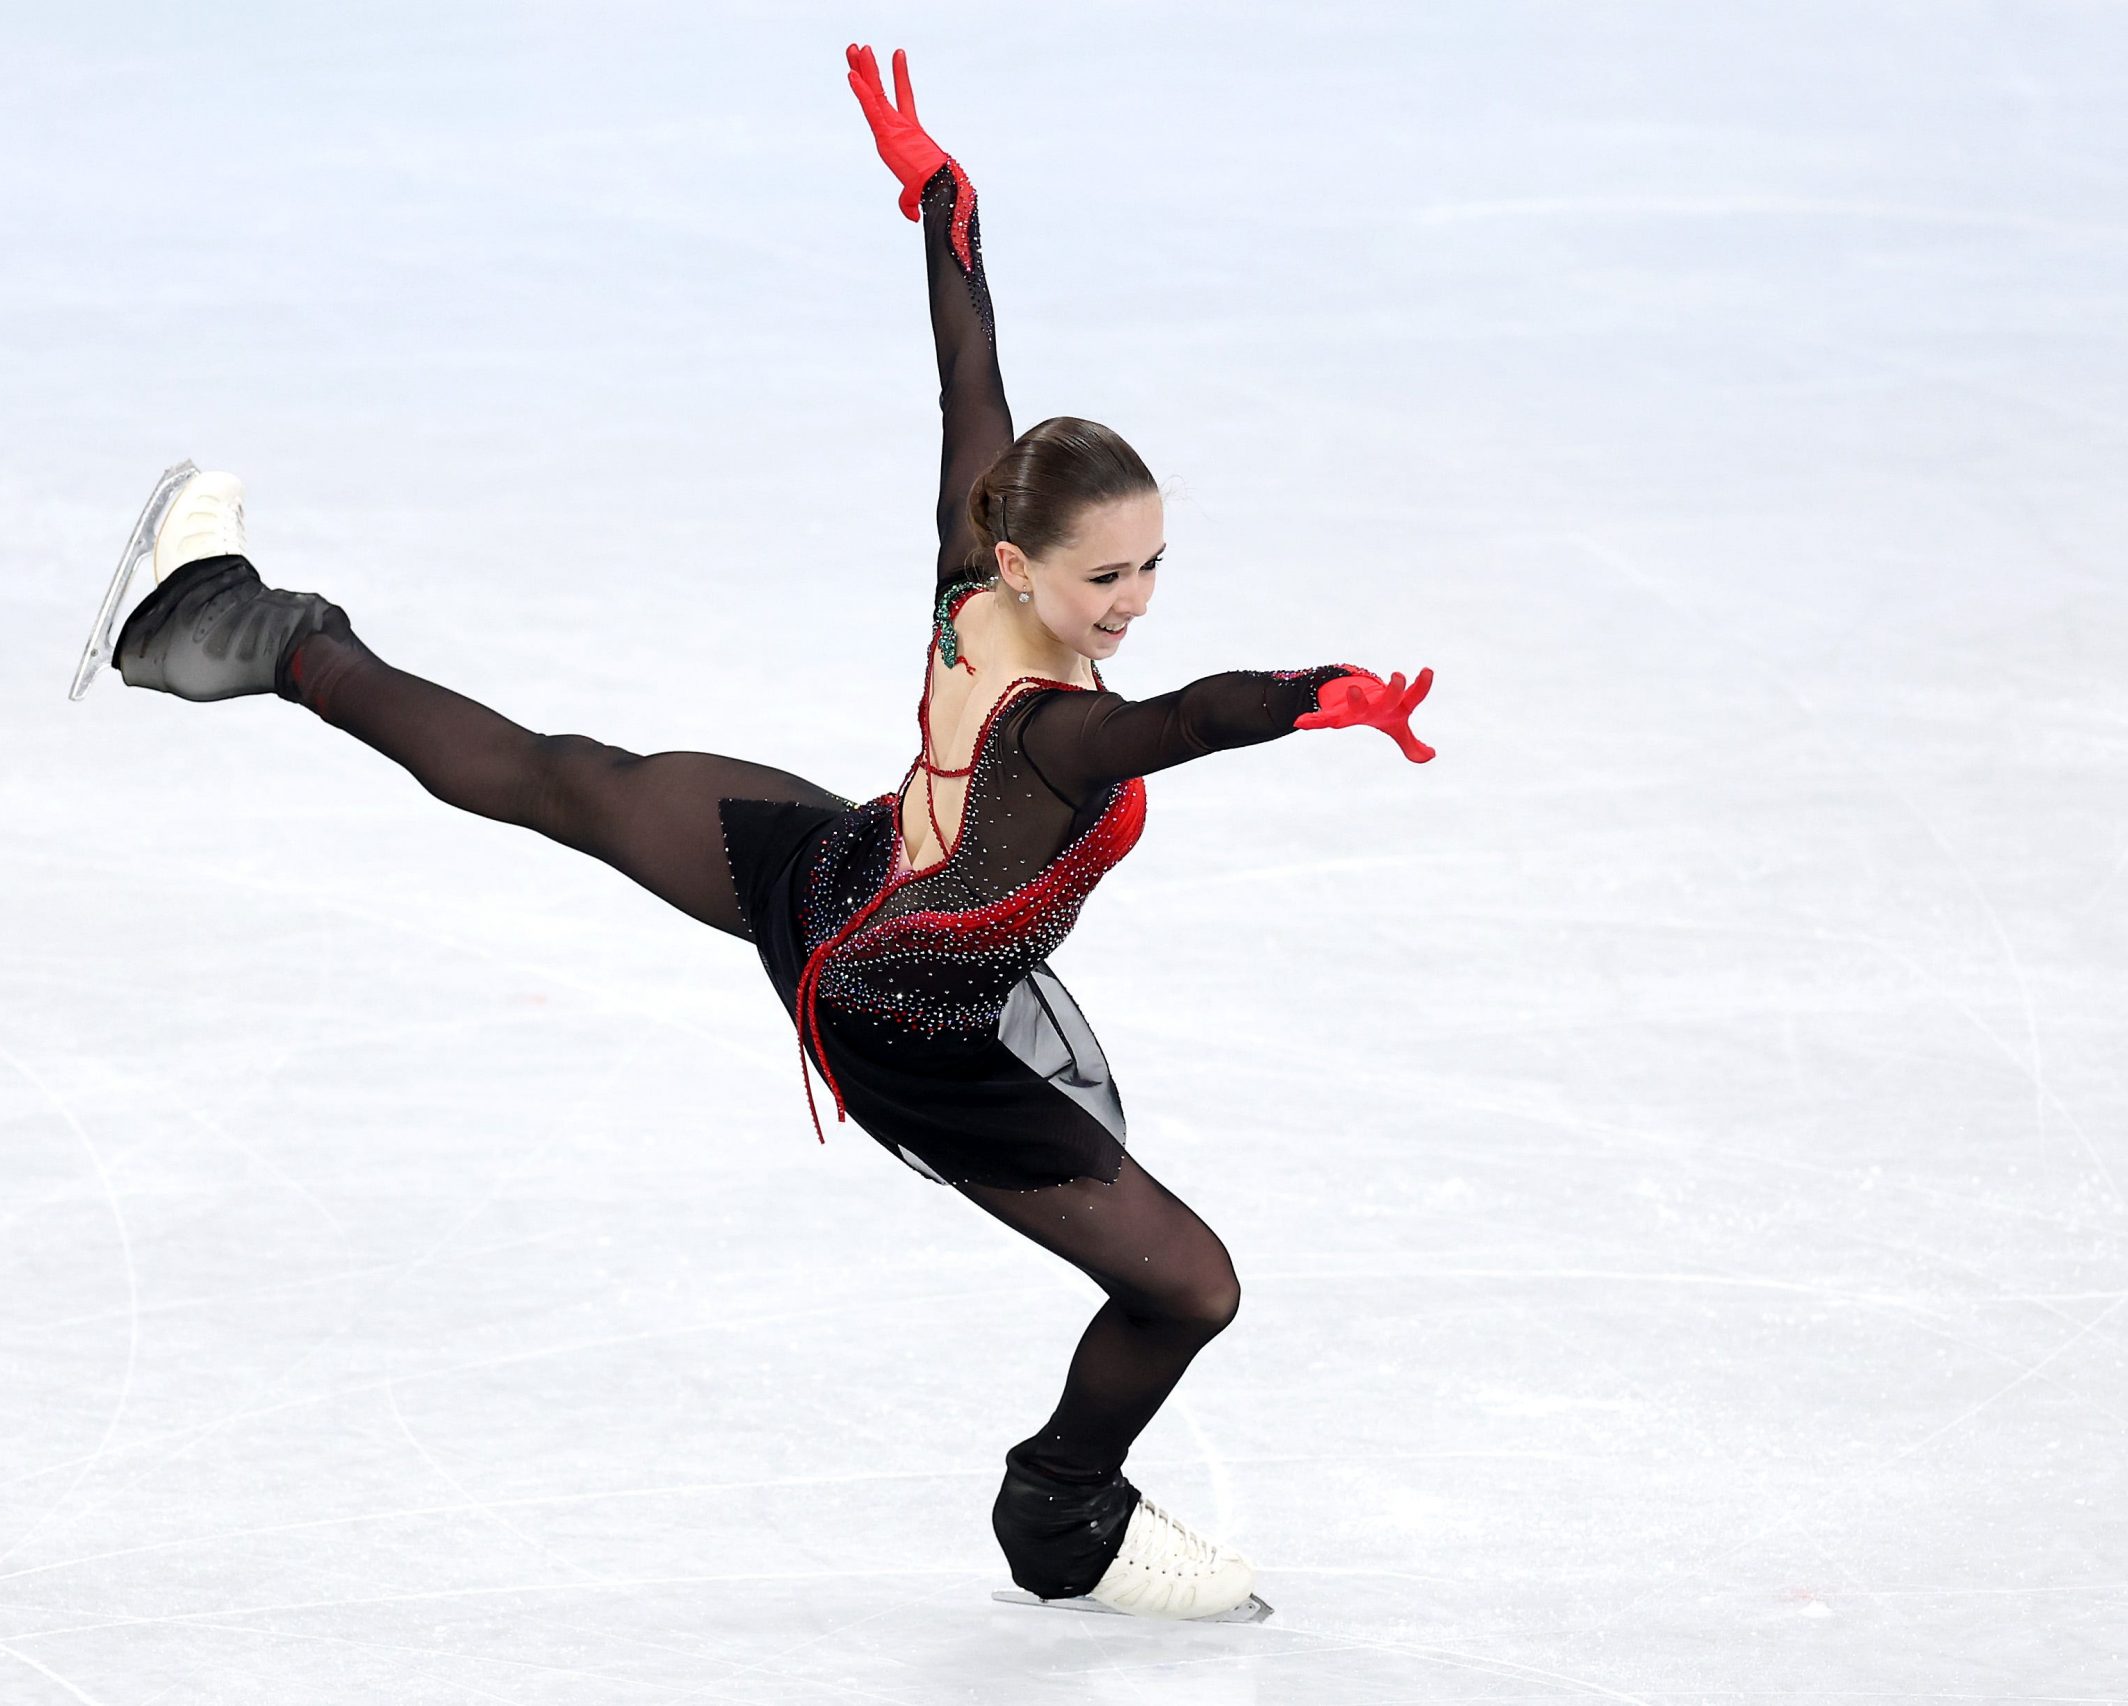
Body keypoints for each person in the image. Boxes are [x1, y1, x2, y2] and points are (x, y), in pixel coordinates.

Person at [100, 43, 1435, 1621]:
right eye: (1107, 581)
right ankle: (1060, 1510)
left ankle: (252, 632)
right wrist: (1314, 695)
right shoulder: (1060, 732)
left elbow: (972, 385)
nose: (1134, 605)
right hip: (905, 1022)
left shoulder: (970, 563)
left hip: (842, 880)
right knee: (1191, 1285)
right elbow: (1178, 721)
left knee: (571, 777)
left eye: (1153, 568)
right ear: (1023, 565)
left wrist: (944, 202)